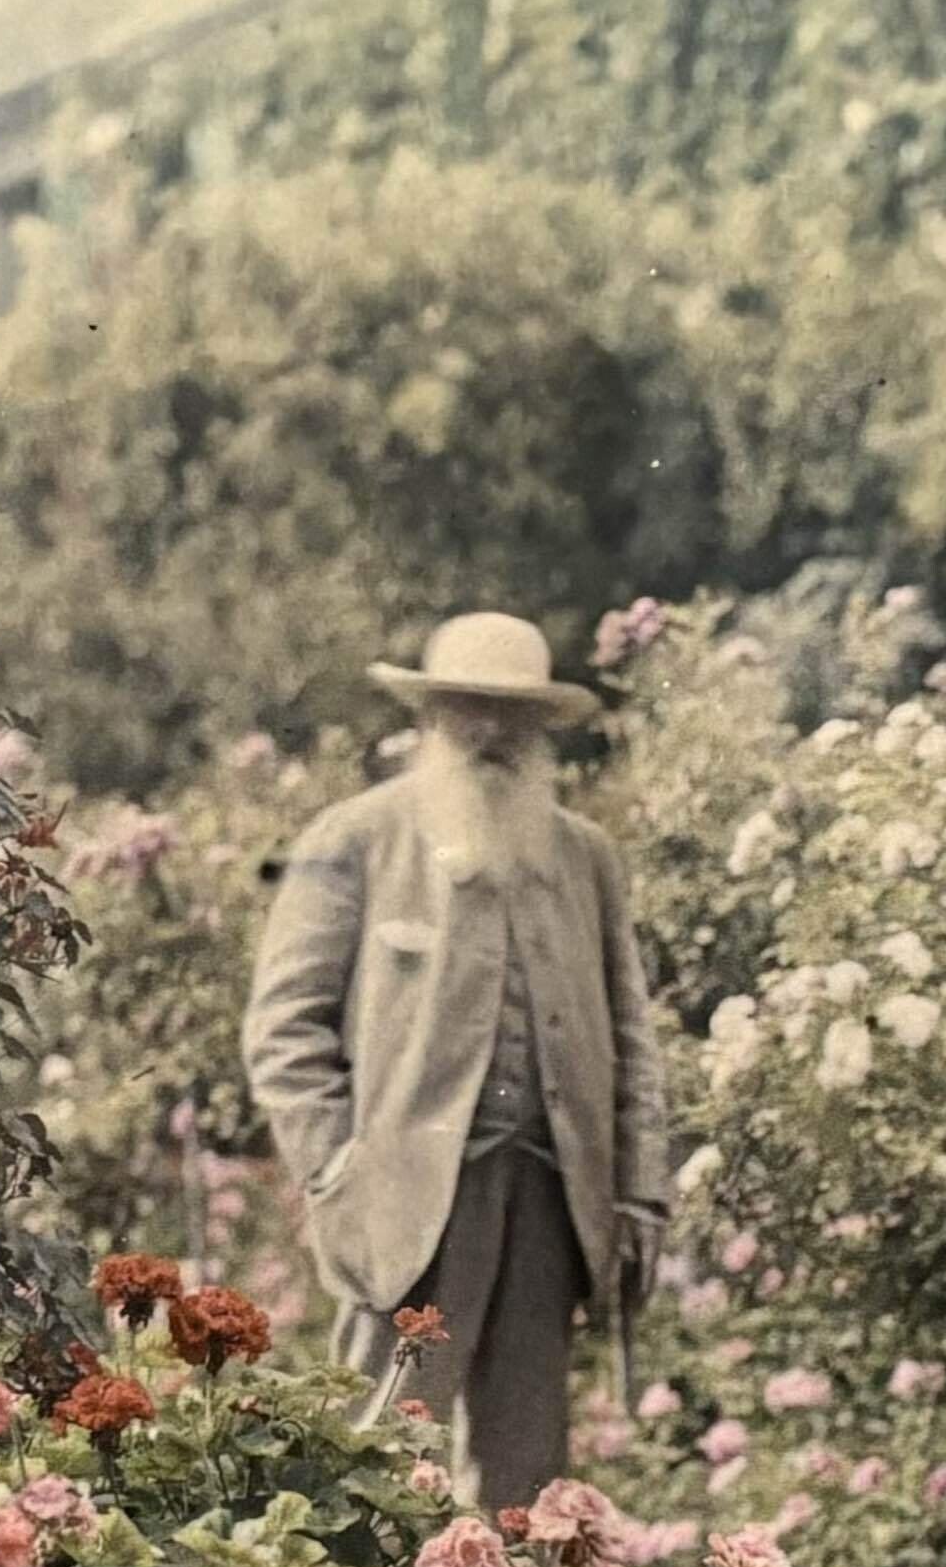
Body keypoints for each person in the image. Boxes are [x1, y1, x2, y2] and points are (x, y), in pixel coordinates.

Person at [239, 611, 667, 1506]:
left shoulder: (585, 858)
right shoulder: (354, 839)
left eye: (515, 712)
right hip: (407, 1202)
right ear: (430, 715)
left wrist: (639, 1192)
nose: (491, 731)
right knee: (379, 1465)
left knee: (528, 1480)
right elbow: (284, 1028)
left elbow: (631, 1038)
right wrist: (338, 1170)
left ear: (542, 726)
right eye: (470, 706)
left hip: (550, 1198)